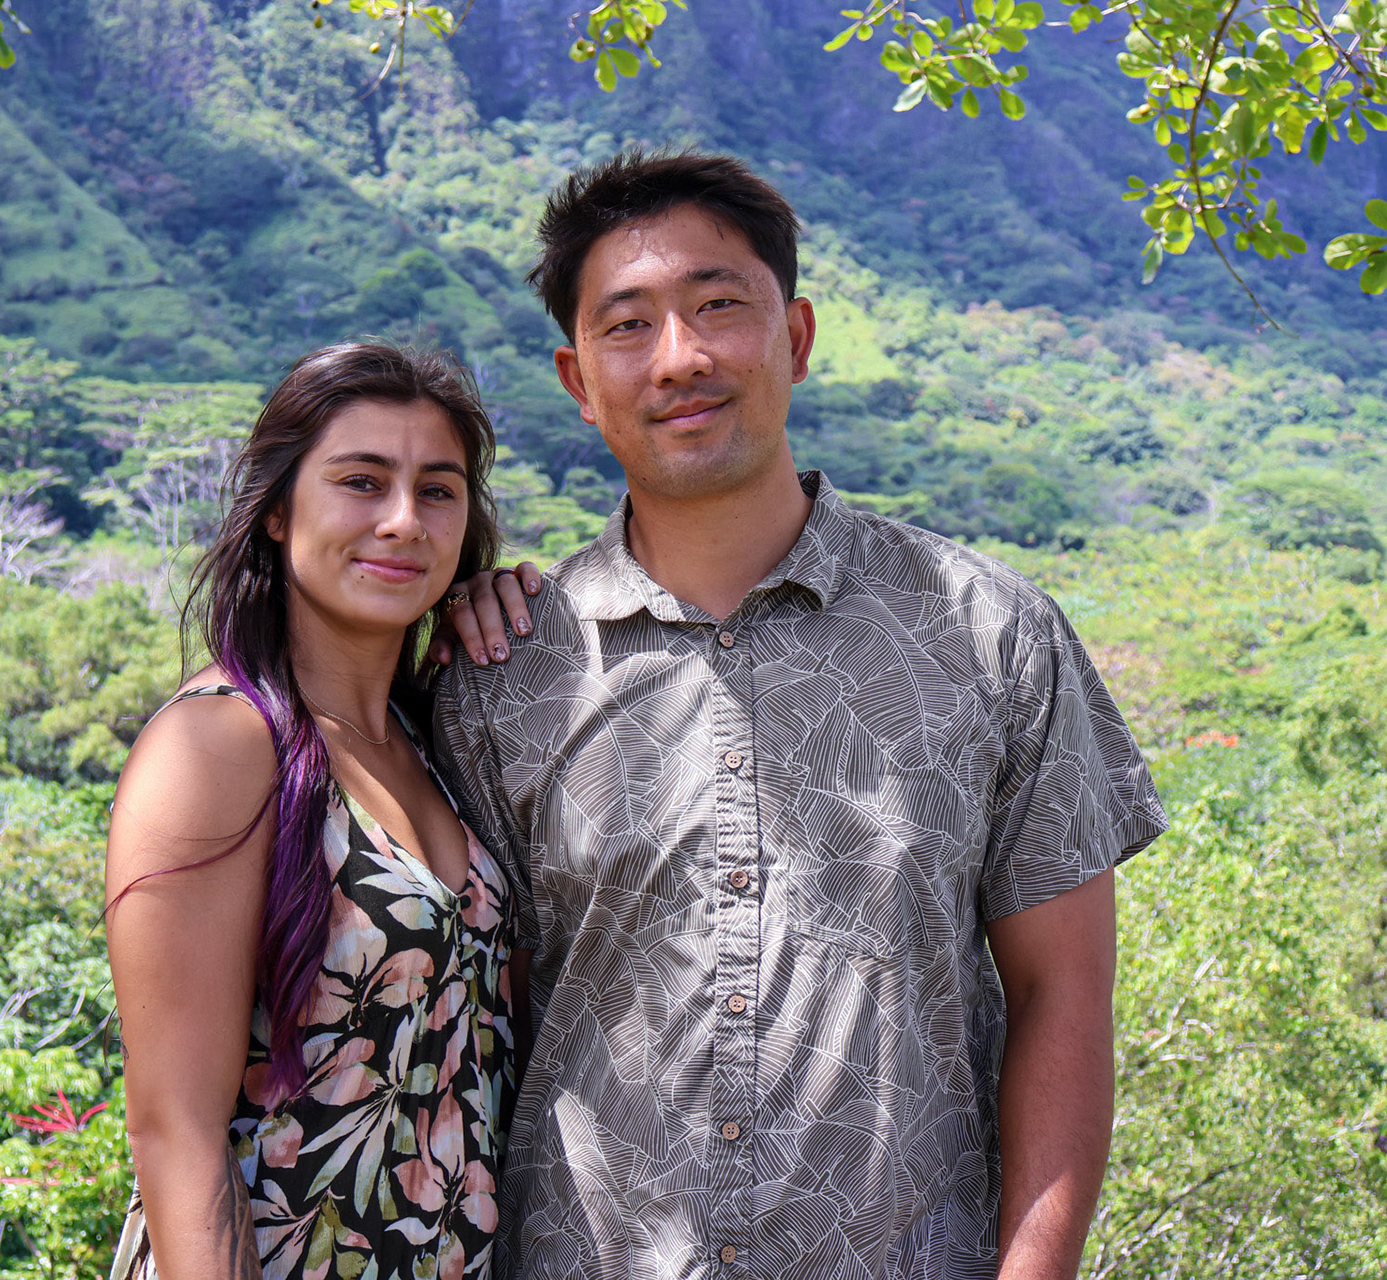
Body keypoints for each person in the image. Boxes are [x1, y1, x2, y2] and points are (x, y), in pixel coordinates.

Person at [429, 152, 1170, 1279]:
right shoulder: (506, 673)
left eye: (720, 305)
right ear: (579, 380)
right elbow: (489, 1024)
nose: (680, 356)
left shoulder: (987, 632)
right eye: (628, 326)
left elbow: (1060, 994)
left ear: (799, 335)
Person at [105, 342, 518, 1280]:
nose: (403, 521)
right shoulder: (219, 743)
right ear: (278, 510)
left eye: (438, 490)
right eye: (362, 482)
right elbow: (175, 1127)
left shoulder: (432, 740)